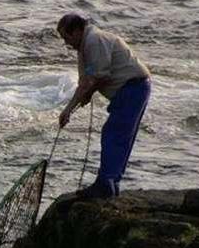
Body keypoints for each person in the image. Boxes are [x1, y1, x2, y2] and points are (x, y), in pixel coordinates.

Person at [57, 13, 151, 198]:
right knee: (120, 136)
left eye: (66, 37)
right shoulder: (84, 47)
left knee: (114, 134)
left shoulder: (94, 40)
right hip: (132, 89)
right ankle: (112, 183)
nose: (66, 43)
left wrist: (75, 104)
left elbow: (99, 76)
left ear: (77, 30)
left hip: (133, 88)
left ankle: (106, 183)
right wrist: (76, 103)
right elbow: (86, 81)